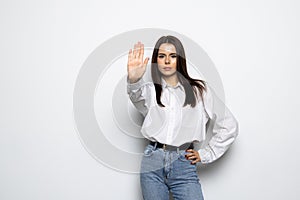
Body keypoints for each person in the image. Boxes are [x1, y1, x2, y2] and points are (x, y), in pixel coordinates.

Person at [126, 35, 239, 200]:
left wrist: (206, 153)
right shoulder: (150, 91)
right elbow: (136, 97)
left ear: (180, 60)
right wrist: (134, 80)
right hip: (152, 162)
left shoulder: (199, 91)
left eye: (173, 56)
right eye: (161, 56)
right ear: (156, 61)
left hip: (183, 163)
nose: (166, 61)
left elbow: (229, 125)